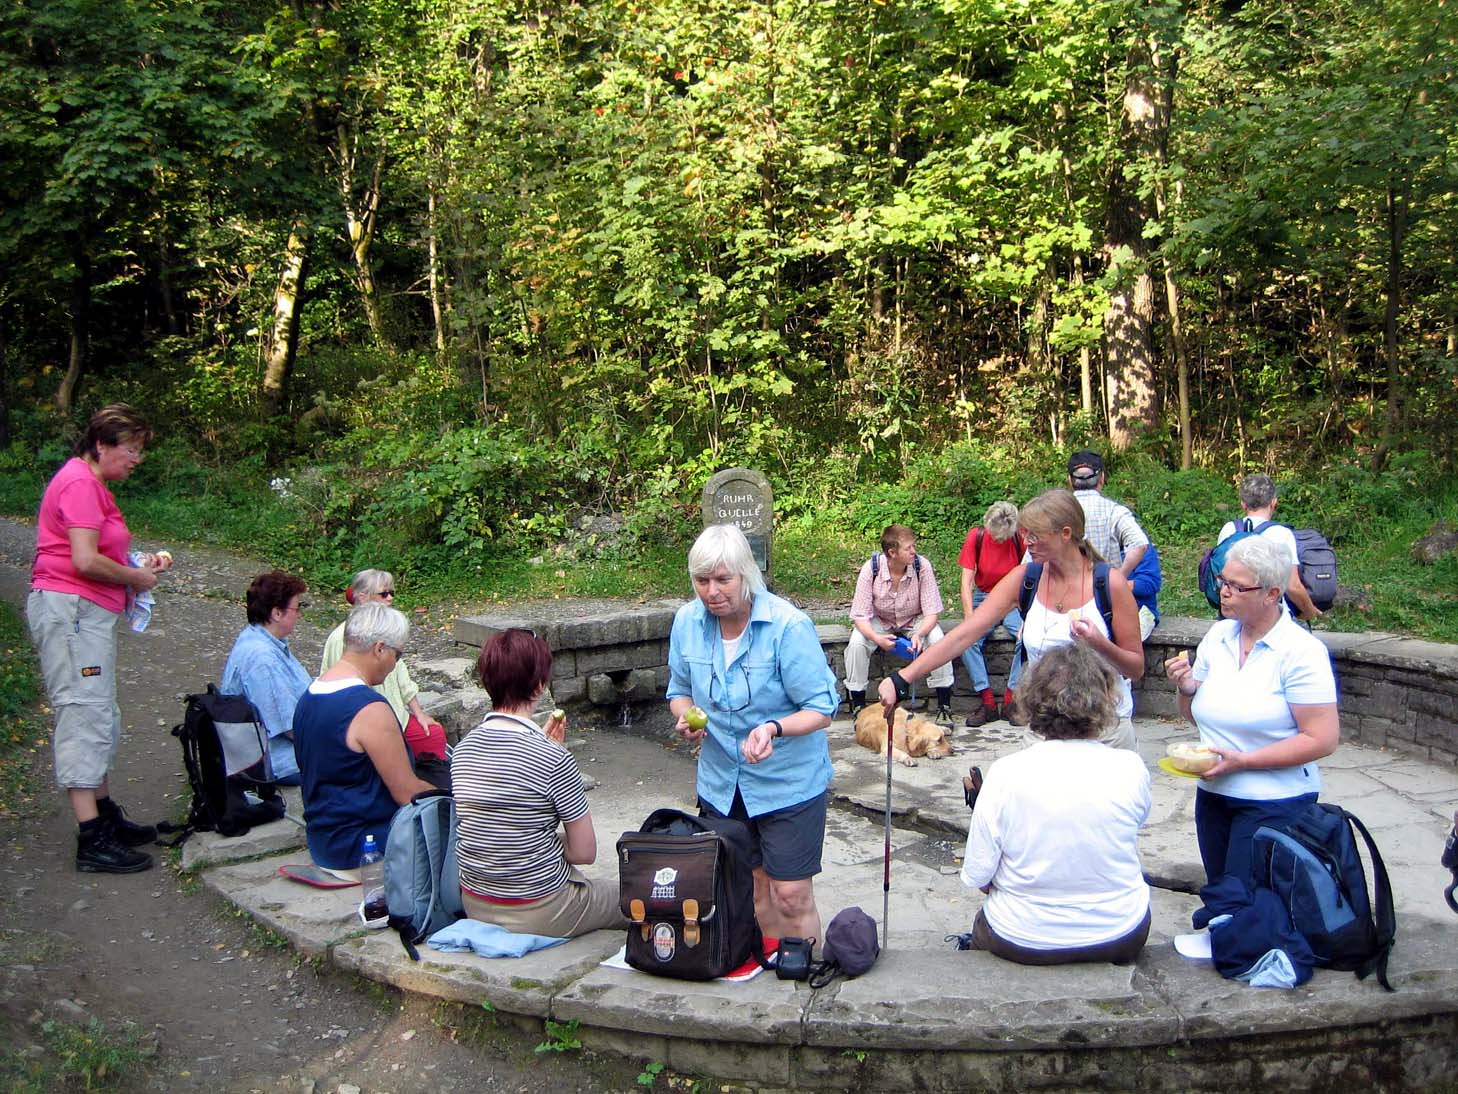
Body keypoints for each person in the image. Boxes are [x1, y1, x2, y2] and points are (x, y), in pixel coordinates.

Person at [667, 524, 840, 945]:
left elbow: (822, 707)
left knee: (791, 895)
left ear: (747, 575)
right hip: (722, 782)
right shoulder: (687, 623)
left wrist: (774, 728)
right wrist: (687, 717)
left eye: (723, 580)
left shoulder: (787, 626)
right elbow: (679, 691)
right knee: (750, 888)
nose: (711, 591)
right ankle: (766, 972)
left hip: (788, 784)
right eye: (702, 581)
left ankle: (802, 975)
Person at [878, 490, 1145, 749]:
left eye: (1035, 535)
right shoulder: (1026, 579)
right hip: (1044, 734)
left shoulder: (1110, 584)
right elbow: (964, 634)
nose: (1026, 542)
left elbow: (1135, 668)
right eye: (1025, 534)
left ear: (1065, 534)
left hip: (1104, 733)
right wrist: (901, 679)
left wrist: (1098, 643)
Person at [27, 404, 171, 873]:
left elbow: (98, 552)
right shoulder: (81, 484)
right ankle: (92, 839)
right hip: (70, 612)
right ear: (102, 445)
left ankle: (105, 816)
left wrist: (137, 567)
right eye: (131, 450)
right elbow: (85, 561)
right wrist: (134, 579)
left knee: (99, 709)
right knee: (81, 709)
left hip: (85, 613)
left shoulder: (92, 485)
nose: (136, 459)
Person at [960, 644, 1152, 964]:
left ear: (1032, 702)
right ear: (1105, 699)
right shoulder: (1131, 768)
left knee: (983, 925)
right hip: (1120, 932)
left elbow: (980, 878)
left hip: (1021, 937)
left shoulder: (1006, 774)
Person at [1164, 535, 1339, 886]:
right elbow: (1193, 713)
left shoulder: (1301, 652)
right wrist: (1186, 689)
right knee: (1221, 892)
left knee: (1255, 901)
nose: (1224, 592)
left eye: (1236, 586)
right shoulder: (1218, 637)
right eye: (1222, 581)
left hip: (1275, 799)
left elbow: (1322, 739)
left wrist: (1243, 761)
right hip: (1214, 794)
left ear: (1271, 594)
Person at [452, 629, 623, 937]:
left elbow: (500, 814)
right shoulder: (553, 758)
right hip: (541, 908)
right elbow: (584, 852)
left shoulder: (464, 749)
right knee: (636, 898)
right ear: (539, 684)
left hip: (475, 901)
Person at [294, 603, 436, 876]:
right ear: (380, 648)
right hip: (363, 846)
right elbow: (406, 793)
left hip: (324, 839)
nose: (396, 664)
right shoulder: (369, 709)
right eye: (399, 654)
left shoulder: (310, 694)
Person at [320, 569, 448, 761]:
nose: (390, 598)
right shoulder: (343, 638)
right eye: (383, 594)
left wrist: (419, 713)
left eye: (392, 593)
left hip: (396, 715)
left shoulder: (386, 632)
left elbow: (401, 675)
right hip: (365, 720)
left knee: (433, 734)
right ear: (362, 598)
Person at [844, 524, 955, 723]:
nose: (914, 551)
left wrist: (919, 634)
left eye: (914, 546)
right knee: (857, 643)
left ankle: (944, 704)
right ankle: (858, 705)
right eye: (908, 548)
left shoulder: (922, 566)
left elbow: (931, 613)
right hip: (880, 619)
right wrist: (876, 638)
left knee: (938, 638)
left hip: (914, 619)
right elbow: (859, 616)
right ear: (892, 553)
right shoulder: (872, 569)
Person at [221, 571, 312, 785]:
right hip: (281, 762)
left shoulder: (258, 637)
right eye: (296, 609)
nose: (299, 615)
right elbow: (291, 730)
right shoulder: (263, 659)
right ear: (277, 613)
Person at [1066, 450, 1157, 639]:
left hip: (1065, 601)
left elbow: (1031, 560)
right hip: (1104, 602)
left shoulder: (1057, 512)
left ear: (1070, 480)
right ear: (1102, 479)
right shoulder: (1114, 511)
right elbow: (1140, 543)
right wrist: (1117, 579)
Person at [1216, 474, 1322, 622]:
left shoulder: (1228, 529)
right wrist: (1310, 611)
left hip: (1232, 611)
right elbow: (1292, 586)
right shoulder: (1281, 534)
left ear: (1243, 504)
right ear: (1273, 502)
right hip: (1266, 616)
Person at [957, 502, 1025, 726]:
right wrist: (970, 618)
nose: (997, 541)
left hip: (1014, 597)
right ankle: (987, 702)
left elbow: (1032, 574)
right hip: (984, 596)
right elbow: (966, 582)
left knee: (1028, 638)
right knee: (967, 640)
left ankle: (1010, 699)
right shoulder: (975, 537)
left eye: (1002, 539)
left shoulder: (1020, 539)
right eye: (995, 537)